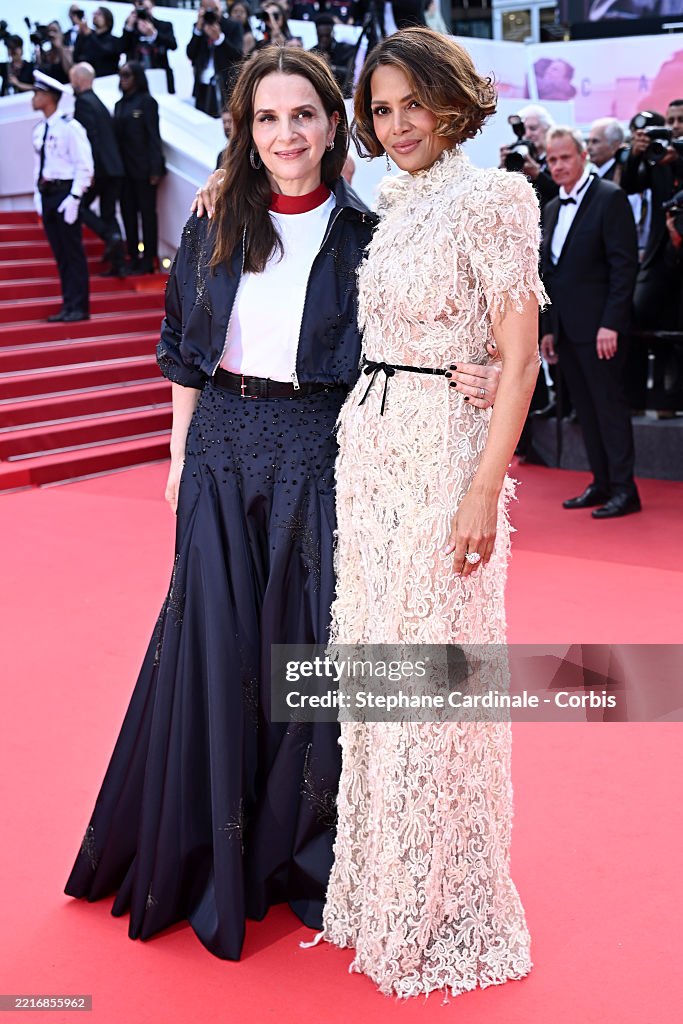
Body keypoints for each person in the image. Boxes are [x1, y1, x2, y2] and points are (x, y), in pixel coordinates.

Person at [63, 46, 501, 962]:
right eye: (266, 118)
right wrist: (179, 459)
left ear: (334, 124)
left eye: (303, 115)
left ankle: (300, 860)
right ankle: (199, 855)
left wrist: (485, 368)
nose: (286, 134)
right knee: (215, 652)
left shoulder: (367, 231)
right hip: (222, 451)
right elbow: (185, 350)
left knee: (305, 660)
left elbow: (426, 327)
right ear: (245, 132)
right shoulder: (216, 219)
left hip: (320, 454)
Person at [312, 27, 545, 999]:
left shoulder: (494, 195)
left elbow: (517, 353)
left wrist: (483, 488)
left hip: (443, 460)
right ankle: (381, 892)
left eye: (412, 103)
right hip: (371, 456)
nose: (396, 124)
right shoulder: (392, 200)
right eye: (380, 109)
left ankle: (441, 900)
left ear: (452, 99)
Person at [540, 127, 640, 518]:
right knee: (585, 410)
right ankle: (601, 482)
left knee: (609, 408)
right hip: (566, 331)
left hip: (601, 331)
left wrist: (611, 324)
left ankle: (624, 489)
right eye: (552, 160)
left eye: (565, 157)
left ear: (583, 156)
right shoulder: (551, 207)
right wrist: (548, 329)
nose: (558, 166)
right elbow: (550, 274)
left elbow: (624, 266)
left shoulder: (609, 198)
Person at [31, 70, 93, 323]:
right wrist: (37, 194)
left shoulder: (70, 127)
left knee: (72, 252)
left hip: (65, 193)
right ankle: (68, 304)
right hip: (47, 193)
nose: (33, 97)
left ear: (49, 97)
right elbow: (38, 165)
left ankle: (79, 306)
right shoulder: (39, 130)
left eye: (37, 93)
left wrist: (75, 197)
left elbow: (85, 165)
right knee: (60, 254)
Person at [620, 99, 683, 331]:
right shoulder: (659, 157)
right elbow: (630, 186)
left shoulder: (672, 158)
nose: (676, 125)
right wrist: (636, 155)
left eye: (681, 120)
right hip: (658, 254)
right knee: (639, 313)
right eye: (671, 120)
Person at [70, 62, 126, 277]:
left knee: (78, 205)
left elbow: (88, 138)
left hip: (100, 168)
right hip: (114, 167)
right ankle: (119, 264)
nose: (72, 83)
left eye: (73, 78)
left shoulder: (83, 102)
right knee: (109, 213)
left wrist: (89, 170)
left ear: (81, 79)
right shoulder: (98, 102)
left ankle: (109, 237)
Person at [113, 62, 164, 275]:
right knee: (127, 213)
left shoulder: (147, 103)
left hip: (144, 170)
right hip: (123, 171)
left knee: (147, 214)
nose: (123, 79)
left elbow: (153, 136)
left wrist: (156, 169)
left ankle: (148, 258)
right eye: (121, 75)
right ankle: (133, 256)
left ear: (137, 77)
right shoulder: (119, 105)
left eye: (127, 75)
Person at [187, 0, 243, 116]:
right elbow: (190, 53)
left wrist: (219, 39)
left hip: (224, 85)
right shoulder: (199, 27)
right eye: (206, 9)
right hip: (201, 85)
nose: (210, 13)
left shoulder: (233, 26)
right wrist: (198, 30)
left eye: (214, 9)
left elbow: (238, 55)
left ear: (220, 9)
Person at [500, 103, 559, 209]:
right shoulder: (516, 156)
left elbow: (564, 192)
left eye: (533, 128)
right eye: (523, 130)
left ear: (548, 129)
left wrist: (538, 175)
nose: (527, 134)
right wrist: (502, 169)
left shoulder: (559, 157)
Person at [122, 1, 178, 93]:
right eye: (140, 8)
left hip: (159, 75)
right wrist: (129, 26)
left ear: (152, 6)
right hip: (135, 76)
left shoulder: (164, 26)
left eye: (146, 8)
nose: (144, 11)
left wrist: (153, 34)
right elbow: (122, 48)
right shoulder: (131, 28)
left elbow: (173, 45)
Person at [309, 14, 354, 95]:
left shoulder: (346, 50)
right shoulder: (311, 53)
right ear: (316, 33)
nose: (324, 39)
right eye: (321, 36)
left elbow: (349, 74)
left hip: (342, 94)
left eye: (327, 35)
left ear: (333, 32)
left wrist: (331, 67)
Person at [72, 6, 123, 79]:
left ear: (107, 19)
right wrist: (81, 34)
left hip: (106, 80)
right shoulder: (86, 36)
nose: (95, 16)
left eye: (99, 14)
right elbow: (76, 57)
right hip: (86, 80)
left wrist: (89, 34)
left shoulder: (114, 40)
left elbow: (103, 53)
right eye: (94, 14)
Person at [586, 117, 626, 181]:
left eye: (595, 141)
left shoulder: (624, 176)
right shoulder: (590, 175)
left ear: (614, 145)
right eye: (588, 142)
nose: (588, 148)